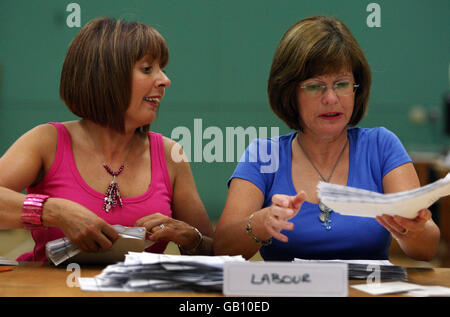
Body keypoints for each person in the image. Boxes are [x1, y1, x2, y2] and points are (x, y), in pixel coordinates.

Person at [214, 16, 440, 261]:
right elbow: (222, 248)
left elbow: (427, 250)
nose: (331, 98)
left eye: (342, 84)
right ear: (289, 93)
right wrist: (260, 222)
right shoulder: (263, 155)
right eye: (315, 86)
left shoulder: (381, 146)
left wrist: (412, 230)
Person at [0, 17, 214, 261]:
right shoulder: (46, 141)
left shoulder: (169, 154)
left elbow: (215, 252)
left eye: (162, 69)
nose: (165, 80)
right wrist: (53, 210)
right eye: (147, 69)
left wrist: (189, 236)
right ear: (107, 77)